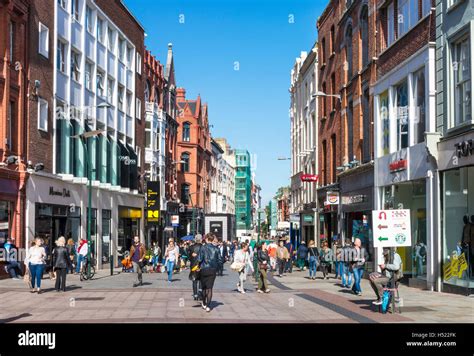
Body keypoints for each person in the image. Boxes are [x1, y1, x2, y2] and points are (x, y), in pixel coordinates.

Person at [197, 233, 223, 312]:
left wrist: (198, 266)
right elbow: (220, 260)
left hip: (203, 269)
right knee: (210, 288)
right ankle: (208, 306)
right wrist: (217, 269)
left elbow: (199, 259)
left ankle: (204, 303)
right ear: (212, 240)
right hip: (212, 270)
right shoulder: (216, 248)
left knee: (204, 287)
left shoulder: (203, 248)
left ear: (207, 239)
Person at [188, 236, 203, 300]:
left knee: (194, 280)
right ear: (201, 239)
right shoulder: (203, 247)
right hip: (201, 265)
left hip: (193, 265)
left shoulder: (191, 247)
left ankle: (195, 294)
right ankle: (200, 292)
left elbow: (189, 257)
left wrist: (192, 257)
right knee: (201, 280)